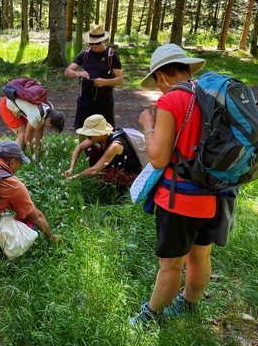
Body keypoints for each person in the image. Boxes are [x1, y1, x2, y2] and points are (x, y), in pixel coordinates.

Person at [129, 43, 214, 328]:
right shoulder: (208, 95)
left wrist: (148, 124)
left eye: (156, 80)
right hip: (215, 194)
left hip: (180, 199)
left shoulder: (170, 101)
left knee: (171, 264)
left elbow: (157, 158)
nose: (158, 87)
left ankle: (150, 317)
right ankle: (189, 307)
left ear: (162, 75)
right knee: (200, 255)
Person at [0, 140, 61, 256]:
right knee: (32, 225)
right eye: (20, 162)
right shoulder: (12, 184)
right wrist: (52, 237)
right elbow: (37, 217)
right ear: (12, 162)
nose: (19, 166)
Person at [64, 24, 124, 129]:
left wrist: (105, 82)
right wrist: (78, 73)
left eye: (97, 43)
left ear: (103, 40)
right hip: (85, 101)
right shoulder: (84, 54)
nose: (94, 46)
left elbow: (119, 80)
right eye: (91, 43)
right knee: (82, 129)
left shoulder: (111, 55)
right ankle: (82, 146)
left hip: (104, 102)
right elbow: (67, 72)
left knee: (105, 131)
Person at [63, 114, 142, 189]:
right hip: (112, 165)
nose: (88, 137)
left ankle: (105, 180)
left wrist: (73, 178)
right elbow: (79, 147)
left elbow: (94, 171)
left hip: (128, 175)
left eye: (90, 135)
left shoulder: (115, 146)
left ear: (99, 133)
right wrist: (71, 168)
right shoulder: (101, 137)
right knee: (89, 148)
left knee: (104, 174)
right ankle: (97, 171)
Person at [0, 95, 65, 156]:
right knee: (22, 135)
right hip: (7, 105)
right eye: (51, 126)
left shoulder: (50, 108)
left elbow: (39, 129)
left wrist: (38, 148)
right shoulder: (35, 117)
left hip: (18, 106)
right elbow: (28, 139)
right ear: (48, 120)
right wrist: (32, 155)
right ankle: (9, 159)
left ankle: (20, 158)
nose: (50, 128)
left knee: (25, 136)